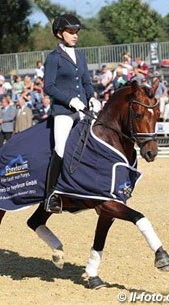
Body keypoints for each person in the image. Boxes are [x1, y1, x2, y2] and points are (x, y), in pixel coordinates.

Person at [43, 14, 101, 213]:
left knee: (96, 141)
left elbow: (86, 82)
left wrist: (92, 97)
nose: (75, 36)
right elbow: (48, 87)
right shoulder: (53, 58)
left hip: (84, 109)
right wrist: (70, 101)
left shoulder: (81, 56)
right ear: (60, 33)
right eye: (71, 32)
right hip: (64, 112)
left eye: (76, 32)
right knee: (60, 148)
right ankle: (50, 195)